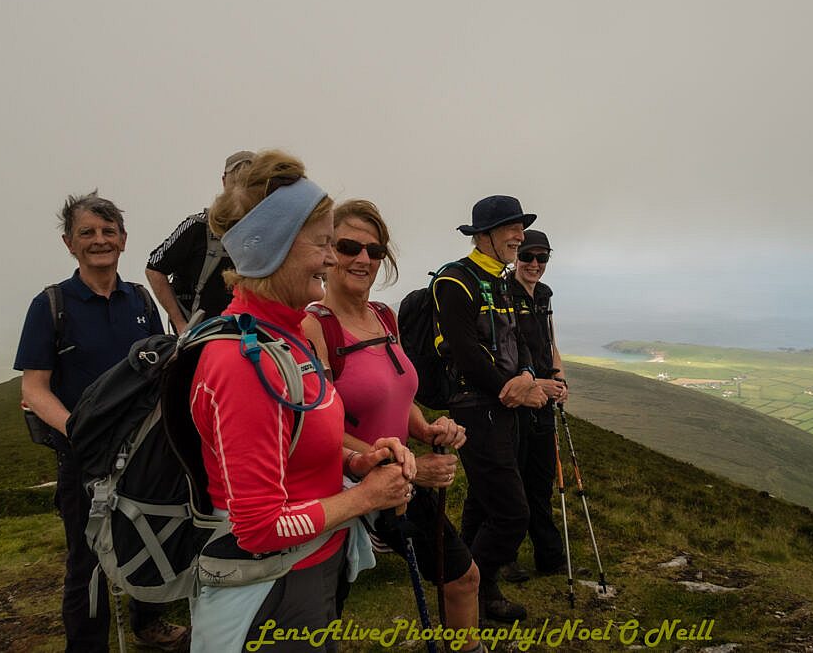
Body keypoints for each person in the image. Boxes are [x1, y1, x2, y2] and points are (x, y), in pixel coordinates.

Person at [190, 150, 416, 652]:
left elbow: (296, 445)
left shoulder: (283, 336)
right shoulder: (244, 362)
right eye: (322, 244)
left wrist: (360, 459)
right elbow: (258, 527)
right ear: (275, 247)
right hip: (271, 589)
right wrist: (364, 497)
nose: (333, 258)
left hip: (311, 569)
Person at [302, 199, 485, 650]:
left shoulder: (384, 316)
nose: (363, 259)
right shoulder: (313, 327)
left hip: (398, 480)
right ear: (327, 252)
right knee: (325, 611)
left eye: (375, 250)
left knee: (462, 579)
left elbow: (397, 393)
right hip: (347, 485)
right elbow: (318, 428)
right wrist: (407, 467)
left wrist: (426, 429)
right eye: (348, 246)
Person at [13, 191, 189, 652]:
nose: (99, 240)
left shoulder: (140, 300)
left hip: (145, 453)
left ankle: (148, 623)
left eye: (108, 232)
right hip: (83, 455)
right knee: (86, 559)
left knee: (149, 534)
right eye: (87, 232)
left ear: (124, 240)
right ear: (69, 242)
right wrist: (79, 431)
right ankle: (88, 645)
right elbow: (34, 388)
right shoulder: (51, 305)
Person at [433, 195, 548, 622]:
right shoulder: (454, 280)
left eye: (520, 227)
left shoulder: (502, 281)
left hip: (505, 405)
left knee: (484, 503)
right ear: (483, 236)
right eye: (510, 228)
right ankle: (463, 594)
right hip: (475, 406)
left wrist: (531, 377)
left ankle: (483, 591)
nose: (520, 235)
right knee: (512, 513)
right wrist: (510, 388)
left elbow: (521, 343)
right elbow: (463, 353)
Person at [502, 230, 568, 583]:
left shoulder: (544, 296)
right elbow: (504, 351)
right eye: (528, 256)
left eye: (542, 258)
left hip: (543, 400)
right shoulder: (503, 293)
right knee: (512, 480)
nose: (535, 264)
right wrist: (533, 383)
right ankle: (504, 556)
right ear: (517, 256)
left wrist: (559, 379)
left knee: (541, 482)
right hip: (515, 399)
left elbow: (551, 342)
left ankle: (550, 557)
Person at [145, 150, 253, 332]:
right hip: (200, 336)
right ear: (224, 181)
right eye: (236, 178)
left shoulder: (266, 232)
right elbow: (154, 268)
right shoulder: (198, 226)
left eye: (251, 180)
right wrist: (180, 324)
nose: (241, 187)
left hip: (248, 333)